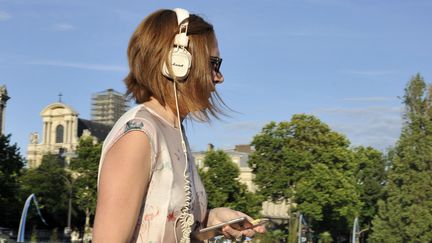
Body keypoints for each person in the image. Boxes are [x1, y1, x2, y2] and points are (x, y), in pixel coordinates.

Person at [92, 8, 265, 243]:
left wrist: (212, 221)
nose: (219, 76)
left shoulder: (174, 132)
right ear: (177, 63)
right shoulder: (138, 135)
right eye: (214, 63)